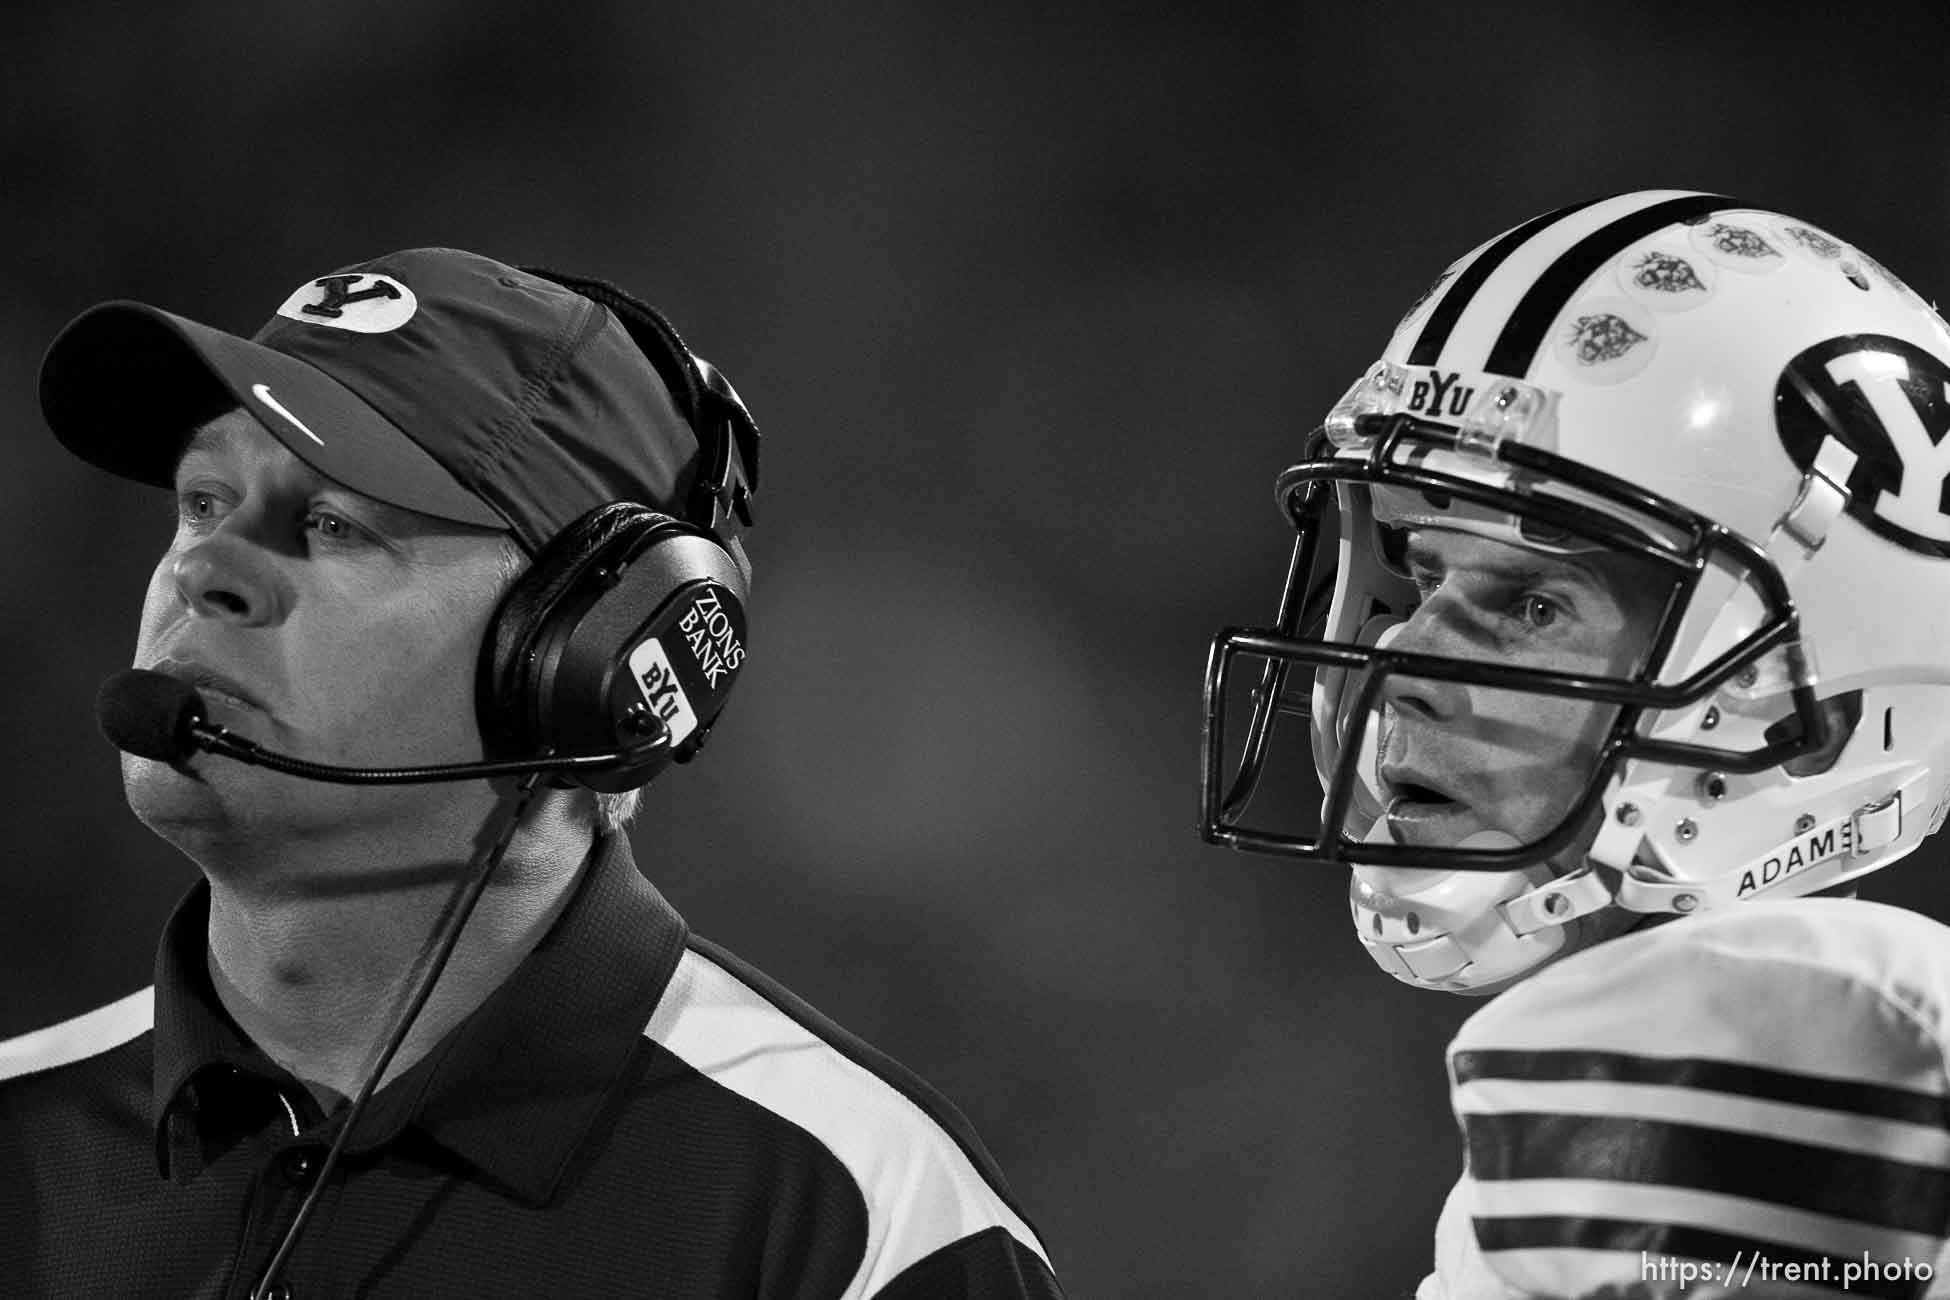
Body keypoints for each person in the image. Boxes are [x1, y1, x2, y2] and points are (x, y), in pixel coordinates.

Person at [0, 248, 1063, 1299]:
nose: (203, 568)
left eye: (332, 523)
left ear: (588, 653)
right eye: (200, 502)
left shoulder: (861, 1225)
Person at [1201, 190, 1950, 1299]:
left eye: (1534, 605)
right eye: (1423, 577)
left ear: (1813, 713)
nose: (1403, 661)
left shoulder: (1777, 1033)